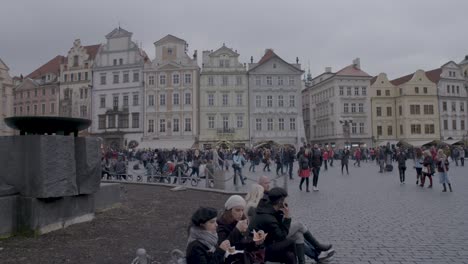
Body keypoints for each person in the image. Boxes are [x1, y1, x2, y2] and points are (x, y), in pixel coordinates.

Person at [252, 178, 335, 263]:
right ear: (260, 185)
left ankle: (314, 256)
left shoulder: (267, 198)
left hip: (273, 232)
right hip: (270, 239)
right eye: (266, 183)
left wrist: (282, 214)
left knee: (298, 234)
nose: (268, 185)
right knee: (299, 226)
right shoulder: (263, 202)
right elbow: (280, 233)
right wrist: (287, 217)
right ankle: (318, 248)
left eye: (269, 182)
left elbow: (275, 221)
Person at [249, 187, 296, 264]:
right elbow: (281, 236)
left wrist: (280, 213)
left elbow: (277, 231)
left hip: (266, 242)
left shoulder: (266, 207)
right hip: (259, 249)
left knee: (289, 255)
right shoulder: (269, 218)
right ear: (281, 201)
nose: (287, 202)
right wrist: (287, 217)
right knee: (291, 241)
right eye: (285, 199)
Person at [217, 195, 266, 264]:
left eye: (242, 210)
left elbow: (245, 245)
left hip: (244, 258)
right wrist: (237, 230)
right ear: (229, 210)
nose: (240, 213)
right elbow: (224, 247)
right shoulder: (221, 225)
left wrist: (256, 242)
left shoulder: (243, 221)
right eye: (237, 210)